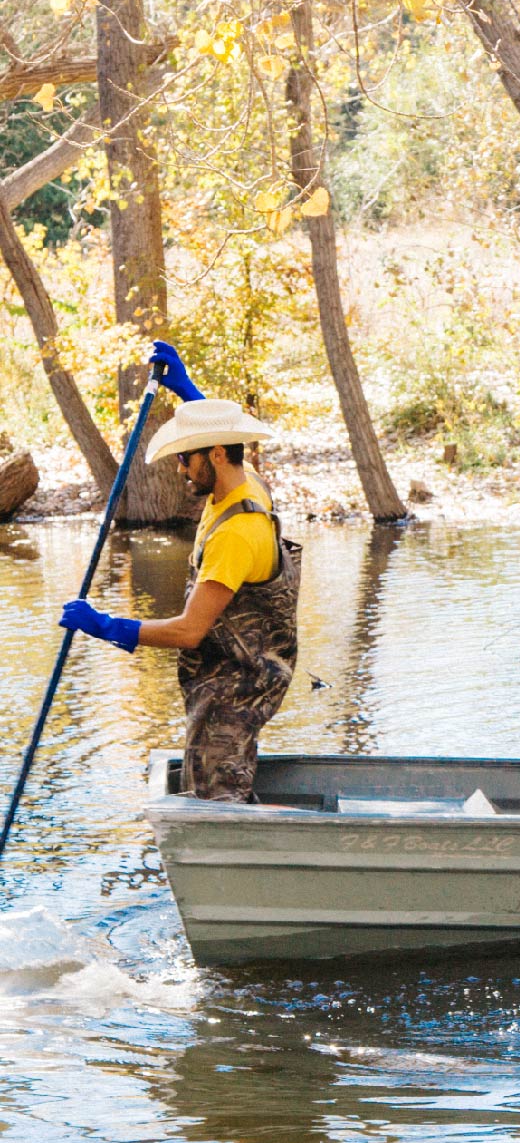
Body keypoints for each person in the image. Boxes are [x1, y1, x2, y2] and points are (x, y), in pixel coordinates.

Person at [59, 342, 300, 803]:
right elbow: (221, 434)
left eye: (185, 457)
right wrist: (188, 391)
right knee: (216, 782)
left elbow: (190, 631)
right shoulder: (242, 481)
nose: (179, 467)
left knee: (215, 796)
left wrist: (107, 626)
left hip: (238, 687)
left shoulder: (237, 534)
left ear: (212, 456)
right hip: (235, 671)